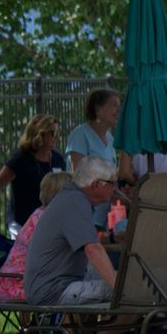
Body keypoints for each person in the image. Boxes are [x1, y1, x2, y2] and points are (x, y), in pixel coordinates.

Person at [22, 156, 127, 334]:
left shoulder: (71, 198)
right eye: (112, 183)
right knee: (134, 290)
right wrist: (120, 288)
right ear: (96, 185)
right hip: (55, 290)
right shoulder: (75, 202)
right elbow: (93, 249)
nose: (115, 189)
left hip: (54, 284)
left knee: (124, 283)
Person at [0, 114, 66, 231]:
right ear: (41, 134)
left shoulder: (58, 159)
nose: (57, 137)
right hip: (22, 223)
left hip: (48, 222)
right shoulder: (22, 158)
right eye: (53, 133)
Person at [0, 171, 70, 303]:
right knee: (75, 292)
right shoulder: (50, 218)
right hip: (22, 285)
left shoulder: (38, 214)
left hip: (8, 283)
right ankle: (65, 323)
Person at [66, 91, 125, 230]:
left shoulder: (110, 139)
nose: (119, 110)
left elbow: (111, 182)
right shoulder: (80, 135)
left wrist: (130, 202)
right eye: (114, 106)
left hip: (104, 218)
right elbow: (78, 180)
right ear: (98, 109)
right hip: (85, 217)